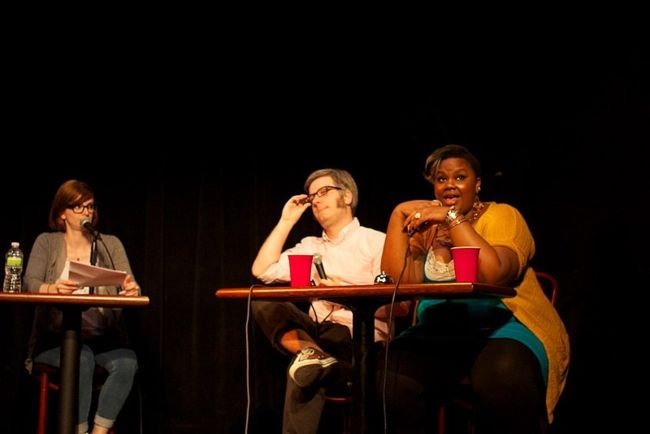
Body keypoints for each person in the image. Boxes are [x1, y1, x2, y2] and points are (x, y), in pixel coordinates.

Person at [379, 145, 569, 434]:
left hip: (501, 327)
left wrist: (452, 218)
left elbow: (494, 274)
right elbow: (398, 285)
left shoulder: (503, 215)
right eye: (441, 179)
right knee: (387, 376)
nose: (449, 185)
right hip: (437, 332)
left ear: (477, 183)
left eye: (460, 177)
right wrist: (397, 217)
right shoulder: (427, 227)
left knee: (501, 375)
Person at [251, 168, 386, 434]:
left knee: (305, 372)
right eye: (312, 195)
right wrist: (286, 221)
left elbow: (395, 307)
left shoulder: (376, 241)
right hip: (318, 334)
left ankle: (311, 356)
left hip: (358, 338)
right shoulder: (310, 245)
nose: (315, 200)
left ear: (346, 196)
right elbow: (262, 271)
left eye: (324, 192)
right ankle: (312, 353)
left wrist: (343, 291)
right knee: (262, 300)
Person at [24, 179, 141, 434]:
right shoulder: (47, 242)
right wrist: (52, 288)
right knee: (81, 357)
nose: (86, 212)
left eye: (89, 206)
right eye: (78, 207)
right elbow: (29, 282)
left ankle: (98, 432)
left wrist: (132, 290)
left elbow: (130, 283)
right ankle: (77, 429)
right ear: (61, 213)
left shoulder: (109, 244)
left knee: (127, 362)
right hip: (57, 339)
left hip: (102, 339)